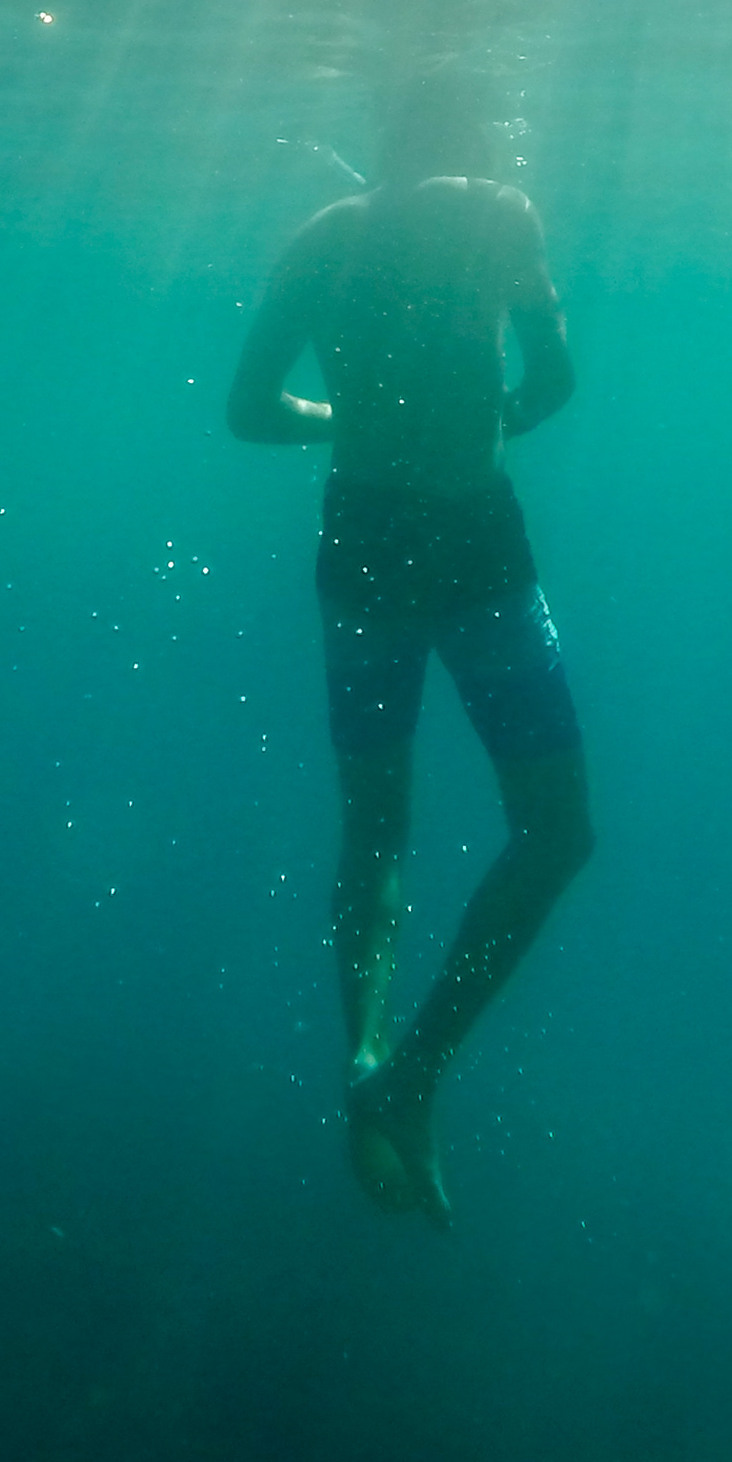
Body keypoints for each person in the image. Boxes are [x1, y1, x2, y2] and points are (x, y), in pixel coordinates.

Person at [226, 66, 591, 1227]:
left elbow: (248, 411)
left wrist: (352, 418)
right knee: (554, 833)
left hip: (364, 539)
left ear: (382, 142)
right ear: (475, 134)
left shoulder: (319, 242)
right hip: (477, 543)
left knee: (375, 826)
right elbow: (556, 376)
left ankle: (366, 1053)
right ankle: (416, 1067)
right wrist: (481, 425)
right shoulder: (499, 214)